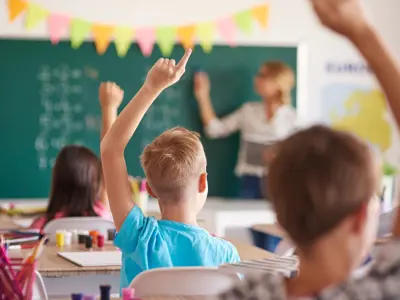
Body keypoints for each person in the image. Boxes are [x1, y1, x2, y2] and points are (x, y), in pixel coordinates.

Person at [216, 0, 400, 299]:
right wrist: (362, 33)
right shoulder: (380, 292)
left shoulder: (240, 295)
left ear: (279, 215)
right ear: (362, 215)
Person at [101, 49, 240, 288]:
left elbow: (111, 150)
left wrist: (151, 88)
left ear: (151, 190)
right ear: (203, 182)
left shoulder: (139, 237)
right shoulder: (226, 256)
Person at [194, 62, 297, 199]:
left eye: (263, 76)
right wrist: (202, 96)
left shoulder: (293, 118)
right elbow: (214, 129)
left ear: (278, 83)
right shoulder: (248, 111)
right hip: (250, 183)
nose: (257, 79)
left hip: (280, 181)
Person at [29, 82, 124, 230]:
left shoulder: (42, 226)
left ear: (57, 181)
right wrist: (109, 108)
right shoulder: (103, 215)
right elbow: (109, 160)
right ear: (95, 182)